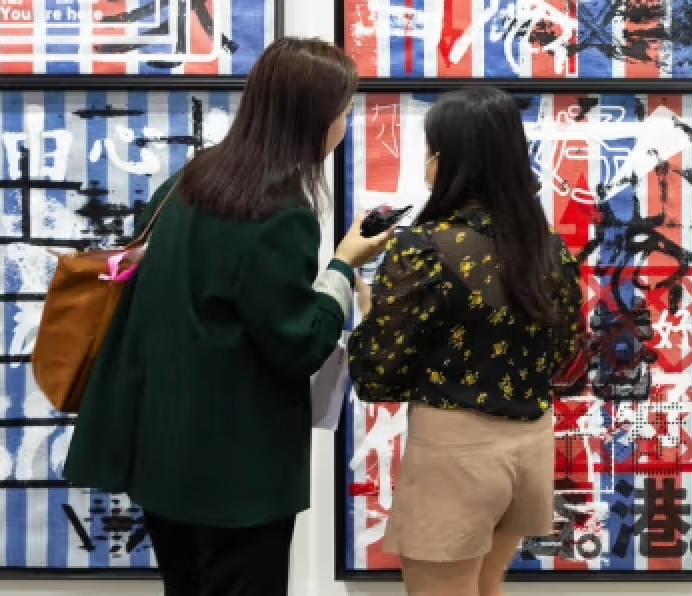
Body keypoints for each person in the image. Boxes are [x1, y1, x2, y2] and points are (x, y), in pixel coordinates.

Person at [65, 37, 394, 596]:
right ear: (311, 119)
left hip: (163, 455)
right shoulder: (281, 213)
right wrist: (343, 265)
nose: (344, 125)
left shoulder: (185, 185)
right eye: (342, 112)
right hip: (238, 472)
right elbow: (299, 342)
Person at [348, 87, 583, 596]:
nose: (426, 163)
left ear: (448, 162)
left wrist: (369, 313)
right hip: (529, 445)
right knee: (487, 587)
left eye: (430, 152)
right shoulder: (550, 249)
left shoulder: (422, 248)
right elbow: (567, 356)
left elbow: (376, 376)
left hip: (455, 451)